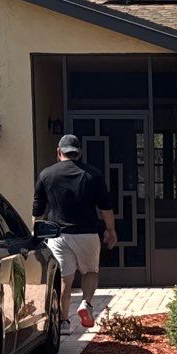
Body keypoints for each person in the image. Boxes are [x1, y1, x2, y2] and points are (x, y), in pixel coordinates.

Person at [33, 134, 116, 329]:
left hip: (57, 235)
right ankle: (86, 304)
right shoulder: (93, 175)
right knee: (90, 272)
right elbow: (105, 208)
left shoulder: (46, 174)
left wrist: (36, 233)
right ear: (79, 153)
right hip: (87, 234)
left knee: (65, 278)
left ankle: (64, 321)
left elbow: (38, 209)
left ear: (59, 152)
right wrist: (111, 231)